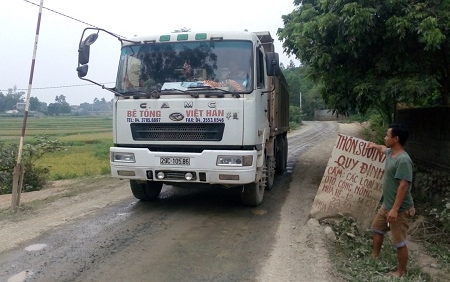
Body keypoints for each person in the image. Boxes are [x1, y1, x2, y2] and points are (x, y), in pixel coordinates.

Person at [367, 123, 415, 278]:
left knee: (399, 242)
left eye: (387, 135)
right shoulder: (389, 153)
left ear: (396, 139)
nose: (385, 137)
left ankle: (401, 272)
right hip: (387, 205)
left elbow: (403, 186)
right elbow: (382, 148)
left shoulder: (403, 160)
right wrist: (373, 146)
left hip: (399, 208)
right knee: (377, 228)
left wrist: (394, 209)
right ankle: (375, 256)